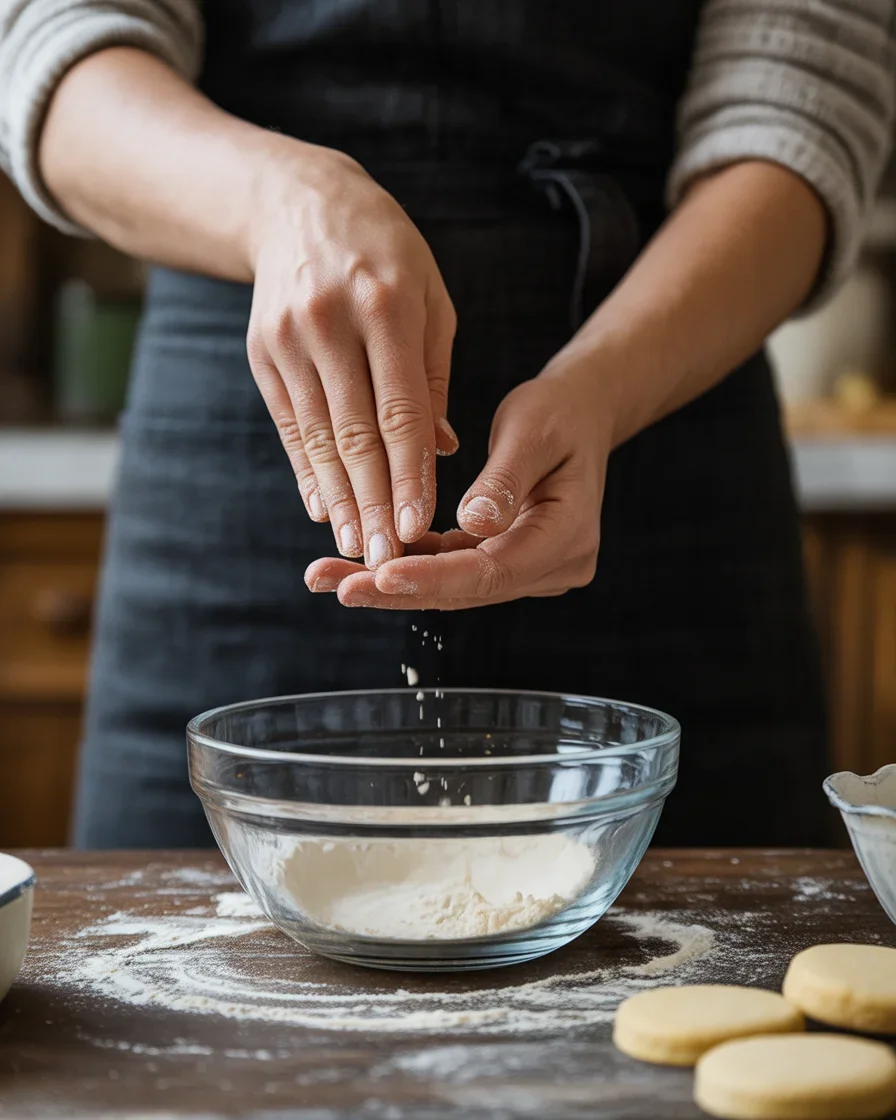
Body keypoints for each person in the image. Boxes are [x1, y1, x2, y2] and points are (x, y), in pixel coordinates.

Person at [1, 1, 892, 849]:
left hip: (666, 427)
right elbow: (55, 52)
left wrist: (605, 386)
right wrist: (283, 200)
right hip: (233, 444)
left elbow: (799, 104)